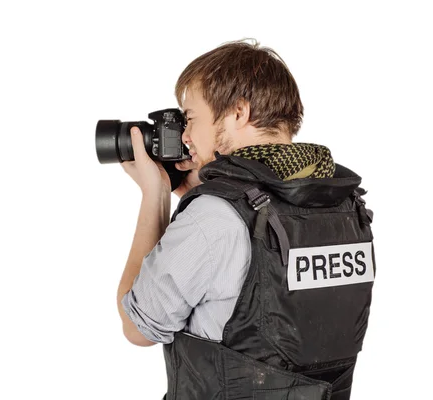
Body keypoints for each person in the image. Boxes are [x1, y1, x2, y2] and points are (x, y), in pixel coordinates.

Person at [116, 39, 375, 400]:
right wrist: (207, 191)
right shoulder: (346, 206)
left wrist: (155, 196)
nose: (186, 136)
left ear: (238, 111)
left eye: (190, 118)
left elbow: (139, 327)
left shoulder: (214, 217)